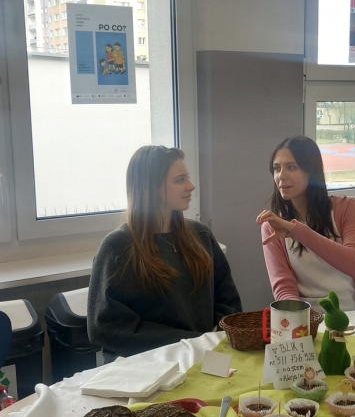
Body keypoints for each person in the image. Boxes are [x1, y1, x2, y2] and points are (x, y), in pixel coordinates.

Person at [89, 145, 242, 358]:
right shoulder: (117, 247)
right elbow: (105, 328)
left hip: (204, 354)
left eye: (188, 178)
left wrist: (212, 339)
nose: (191, 186)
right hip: (146, 363)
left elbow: (229, 302)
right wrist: (190, 342)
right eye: (180, 180)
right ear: (150, 188)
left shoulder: (201, 236)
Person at [256, 136, 355, 311]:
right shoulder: (273, 226)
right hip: (307, 318)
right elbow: (284, 287)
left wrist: (297, 231)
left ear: (311, 171)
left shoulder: (348, 207)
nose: (281, 176)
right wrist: (298, 320)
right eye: (277, 168)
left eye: (291, 167)